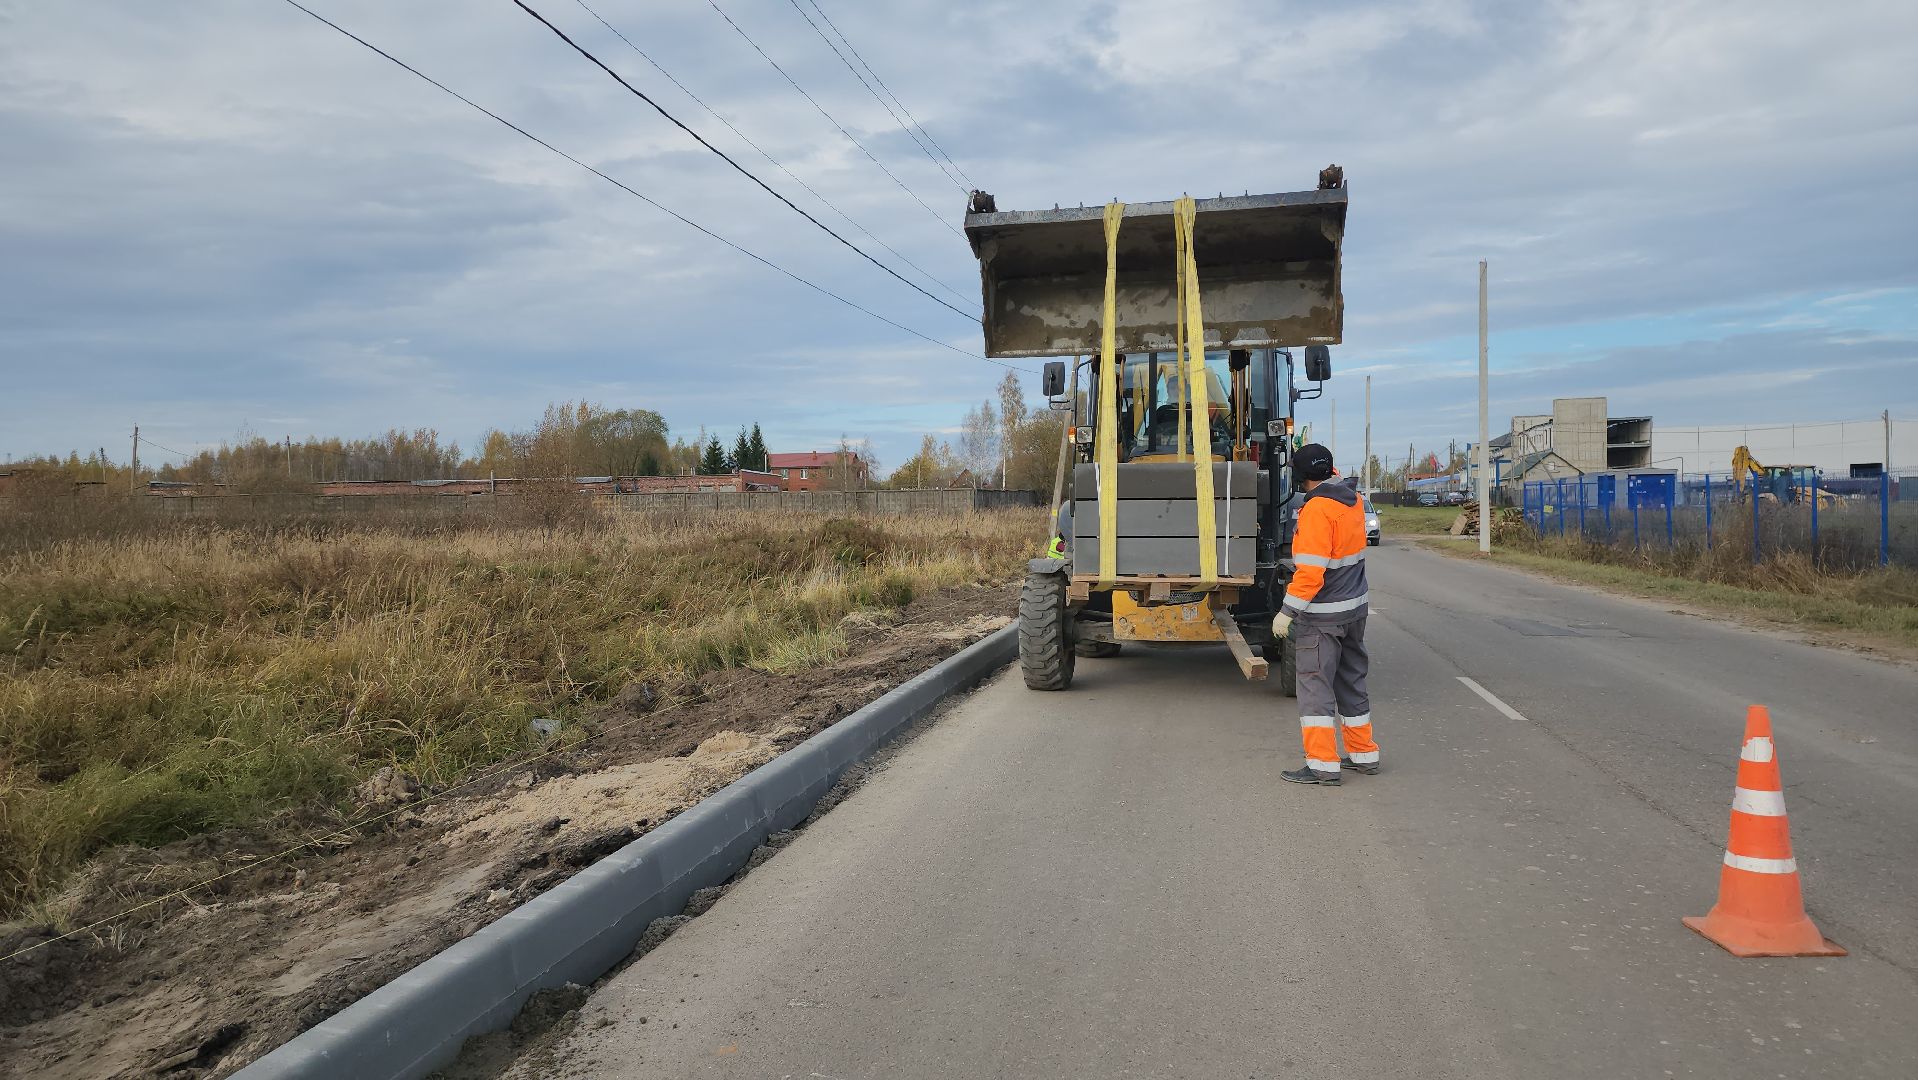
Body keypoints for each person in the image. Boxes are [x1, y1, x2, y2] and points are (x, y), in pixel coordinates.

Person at [1271, 443, 1378, 786]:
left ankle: (1323, 766)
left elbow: (1311, 573)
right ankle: (1364, 755)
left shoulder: (1316, 511)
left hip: (1323, 617)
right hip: (1354, 610)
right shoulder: (1353, 500)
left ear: (1300, 476)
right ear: (1331, 470)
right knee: (1351, 680)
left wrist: (1286, 612)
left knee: (1315, 686)